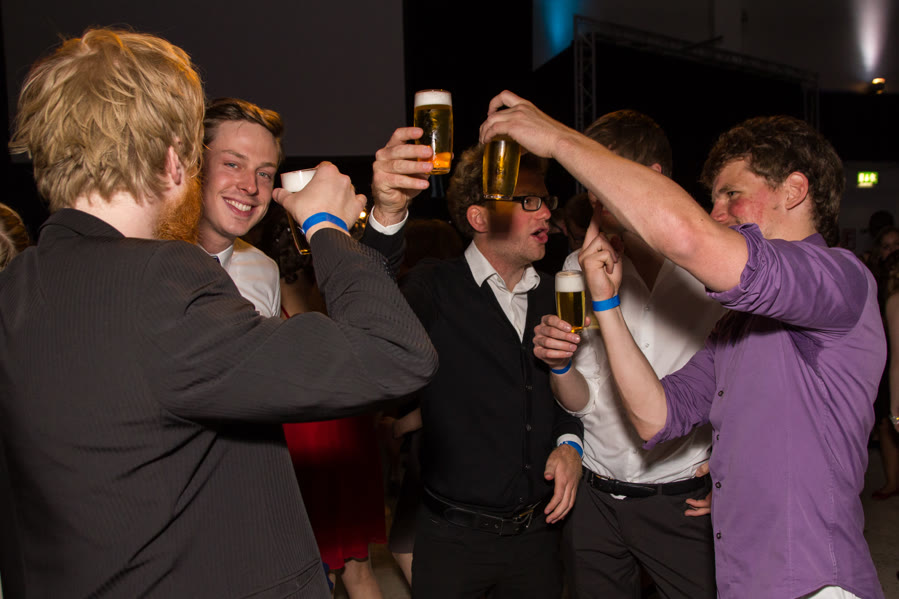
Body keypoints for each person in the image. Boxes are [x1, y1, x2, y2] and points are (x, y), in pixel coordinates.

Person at [1, 28, 437, 598]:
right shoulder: (162, 279)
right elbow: (395, 353)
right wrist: (326, 226)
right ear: (175, 161)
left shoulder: (18, 286)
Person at [483, 92, 886, 598]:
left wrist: (559, 139)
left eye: (731, 195)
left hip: (814, 584)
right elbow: (655, 416)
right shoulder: (736, 329)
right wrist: (606, 304)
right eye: (713, 199)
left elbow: (690, 240)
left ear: (794, 190)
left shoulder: (840, 276)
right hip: (744, 581)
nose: (716, 213)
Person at [361, 130, 584, 599]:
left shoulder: (557, 293)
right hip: (453, 543)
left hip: (538, 541)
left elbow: (570, 392)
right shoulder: (434, 287)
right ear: (479, 217)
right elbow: (370, 311)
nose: (546, 213)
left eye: (545, 201)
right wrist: (386, 217)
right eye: (528, 201)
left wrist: (570, 445)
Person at [536, 110, 722, 598]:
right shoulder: (579, 264)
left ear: (651, 177)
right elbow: (584, 400)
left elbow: (749, 374)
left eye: (604, 179)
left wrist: (735, 470)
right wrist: (559, 365)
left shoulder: (711, 264)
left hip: (683, 501)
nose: (594, 197)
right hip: (596, 501)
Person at [197, 97, 283, 316]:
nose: (251, 186)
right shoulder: (145, 260)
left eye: (264, 174)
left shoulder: (265, 272)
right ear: (196, 165)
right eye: (232, 164)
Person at [871, 227, 899, 500]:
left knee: (892, 421)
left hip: (894, 368)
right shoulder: (877, 284)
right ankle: (892, 481)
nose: (892, 251)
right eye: (887, 246)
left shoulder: (894, 297)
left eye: (896, 244)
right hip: (885, 363)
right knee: (887, 424)